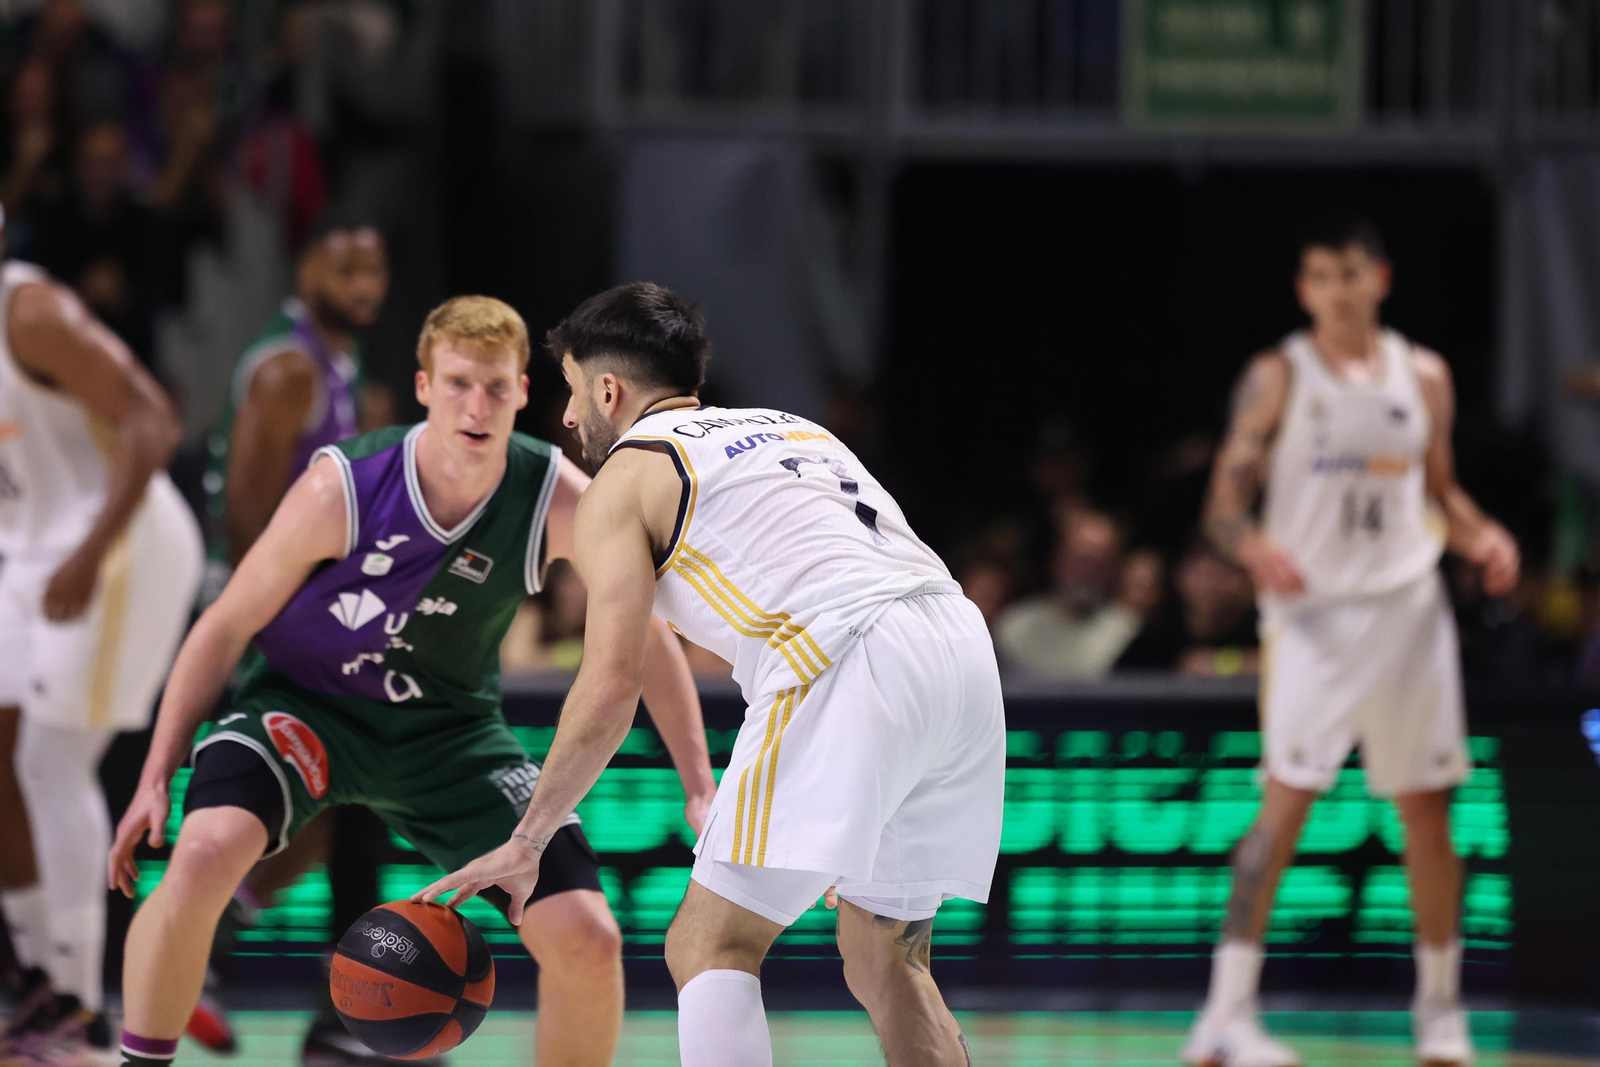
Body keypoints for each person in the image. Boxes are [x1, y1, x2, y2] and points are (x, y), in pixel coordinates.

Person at [108, 296, 717, 1067]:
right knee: (203, 851)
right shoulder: (346, 485)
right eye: (459, 383)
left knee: (588, 936)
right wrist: (157, 773)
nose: (477, 404)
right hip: (306, 708)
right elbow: (226, 624)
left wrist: (699, 784)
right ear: (423, 387)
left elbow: (651, 642)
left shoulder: (556, 496)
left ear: (524, 391)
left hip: (448, 736)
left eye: (496, 386)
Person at [417, 282, 1005, 1067]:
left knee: (708, 940)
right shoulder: (800, 429)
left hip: (845, 653)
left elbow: (610, 682)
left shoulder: (622, 478)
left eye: (568, 392)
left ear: (607, 388)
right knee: (886, 955)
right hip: (960, 648)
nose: (565, 418)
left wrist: (531, 836)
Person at [1181, 219, 1520, 1067]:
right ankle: (1226, 1014)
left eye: (1351, 273)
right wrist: (1252, 544)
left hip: (1410, 612)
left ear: (1381, 278)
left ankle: (1440, 1009)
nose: (1338, 288)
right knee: (1285, 802)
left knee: (1428, 811)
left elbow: (1441, 494)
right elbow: (1223, 504)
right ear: (1304, 289)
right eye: (1321, 275)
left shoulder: (1426, 375)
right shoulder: (1278, 375)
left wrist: (1483, 537)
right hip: (1315, 620)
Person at [189, 215, 394, 1062]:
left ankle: (225, 954)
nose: (362, 284)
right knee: (342, 796)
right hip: (263, 622)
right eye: (344, 265)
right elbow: (245, 512)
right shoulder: (287, 368)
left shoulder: (337, 366)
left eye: (375, 268)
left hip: (301, 620)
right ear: (305, 265)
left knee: (342, 808)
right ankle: (335, 1010)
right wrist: (283, 627)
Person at [0, 238, 203, 1058]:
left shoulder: (30, 314)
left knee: (52, 762)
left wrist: (89, 551)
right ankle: (35, 977)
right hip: (30, 544)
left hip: (117, 540)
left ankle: (81, 1011)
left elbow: (154, 417)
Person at [994, 504, 1141, 679]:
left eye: (1099, 563)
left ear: (1113, 568)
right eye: (1081, 559)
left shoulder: (1130, 634)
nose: (1088, 572)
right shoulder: (1013, 628)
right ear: (1057, 558)